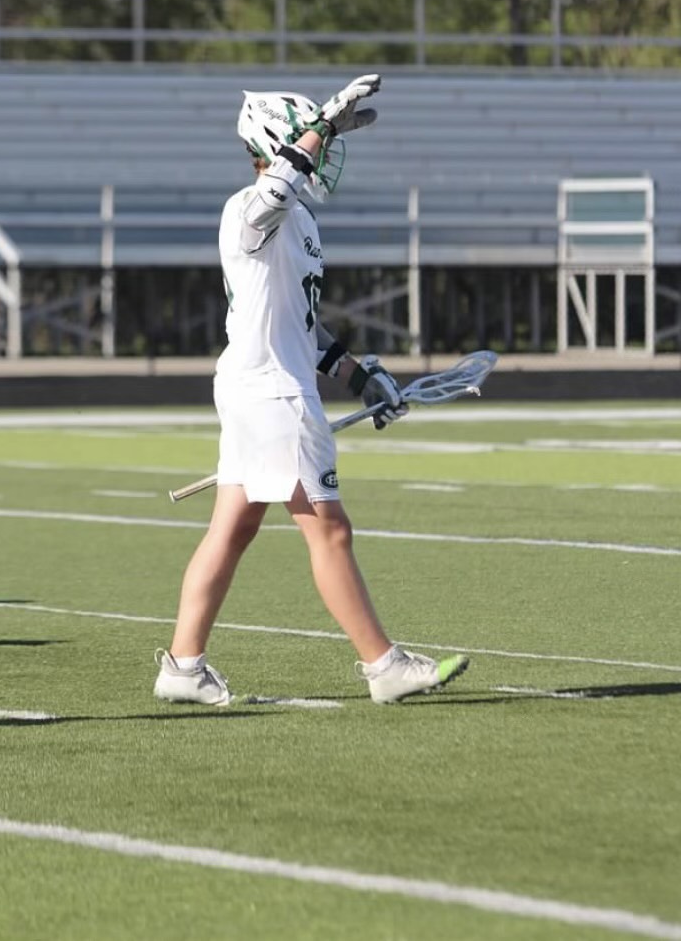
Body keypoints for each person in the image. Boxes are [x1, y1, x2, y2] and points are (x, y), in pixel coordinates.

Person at [154, 74, 469, 705]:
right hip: (271, 395)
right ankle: (384, 667)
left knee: (232, 529)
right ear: (279, 144)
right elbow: (274, 188)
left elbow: (302, 324)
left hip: (264, 386)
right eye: (313, 145)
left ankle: (182, 667)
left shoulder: (299, 221)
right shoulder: (250, 210)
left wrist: (361, 375)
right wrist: (321, 122)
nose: (325, 154)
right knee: (329, 531)